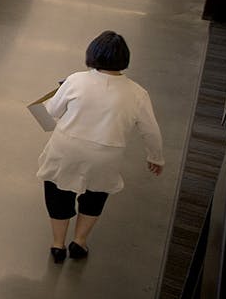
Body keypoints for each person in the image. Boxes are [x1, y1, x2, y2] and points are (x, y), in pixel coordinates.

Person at [37, 31, 163, 263]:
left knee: (58, 194)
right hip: (106, 155)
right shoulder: (138, 93)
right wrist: (155, 157)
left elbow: (52, 111)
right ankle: (80, 242)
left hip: (66, 149)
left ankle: (58, 245)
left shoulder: (75, 80)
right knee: (94, 197)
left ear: (92, 54)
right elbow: (151, 130)